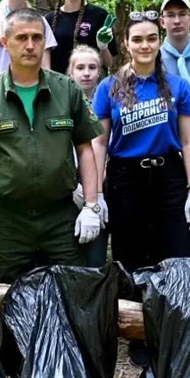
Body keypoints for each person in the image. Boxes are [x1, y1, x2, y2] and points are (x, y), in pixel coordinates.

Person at [0, 8, 102, 284]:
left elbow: (85, 149)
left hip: (60, 216)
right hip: (8, 219)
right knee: (11, 296)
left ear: (45, 42)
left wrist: (91, 205)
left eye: (37, 37)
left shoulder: (67, 90)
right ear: (5, 42)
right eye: (21, 37)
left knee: (71, 290)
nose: (30, 45)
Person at [92, 10, 190, 273]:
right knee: (129, 256)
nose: (145, 45)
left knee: (175, 254)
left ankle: (172, 312)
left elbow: (188, 141)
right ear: (126, 44)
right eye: (138, 39)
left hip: (169, 177)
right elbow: (99, 143)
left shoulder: (179, 87)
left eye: (152, 38)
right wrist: (95, 194)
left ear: (159, 40)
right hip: (125, 178)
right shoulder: (108, 87)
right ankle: (133, 312)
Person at [67, 45, 108, 267]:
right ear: (70, 72)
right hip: (68, 187)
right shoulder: (61, 102)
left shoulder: (108, 101)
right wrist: (73, 185)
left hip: (102, 185)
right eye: (80, 67)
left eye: (92, 67)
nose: (86, 73)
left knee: (96, 254)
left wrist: (97, 189)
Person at [44, 0, 117, 75]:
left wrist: (103, 46)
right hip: (59, 86)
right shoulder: (49, 19)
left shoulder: (99, 15)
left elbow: (109, 64)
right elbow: (44, 61)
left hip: (91, 85)